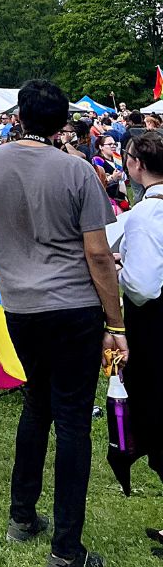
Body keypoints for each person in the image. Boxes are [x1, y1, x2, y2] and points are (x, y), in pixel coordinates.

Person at [0, 79, 122, 567]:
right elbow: (98, 252)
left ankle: (22, 515)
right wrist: (115, 321)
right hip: (73, 305)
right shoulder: (78, 171)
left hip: (22, 306)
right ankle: (66, 550)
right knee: (73, 418)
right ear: (62, 123)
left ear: (19, 115)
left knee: (37, 403)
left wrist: (4, 277)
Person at [115, 129, 163, 528]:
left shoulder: (146, 214)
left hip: (155, 326)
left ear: (137, 165)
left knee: (156, 415)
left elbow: (144, 286)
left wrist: (120, 271)